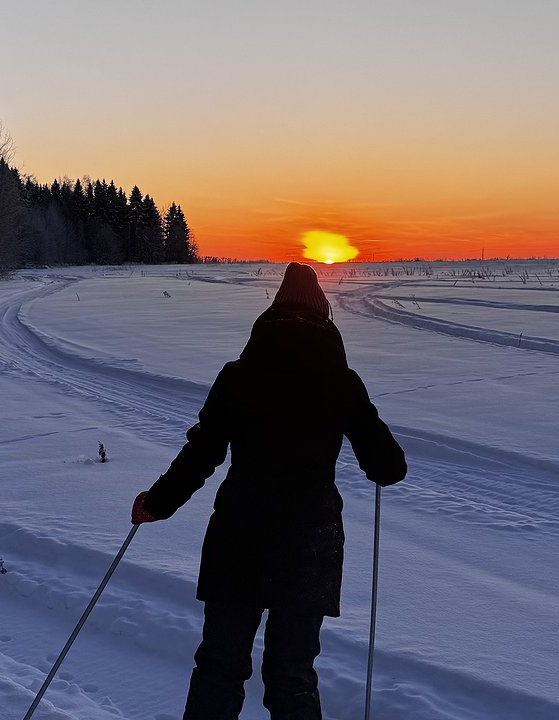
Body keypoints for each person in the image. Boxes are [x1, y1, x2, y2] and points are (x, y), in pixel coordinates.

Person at [131, 262, 407, 720]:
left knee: (219, 668)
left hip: (238, 538)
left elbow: (202, 454)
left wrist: (156, 504)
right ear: (324, 317)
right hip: (309, 545)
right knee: (292, 679)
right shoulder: (341, 379)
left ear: (271, 316)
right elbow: (389, 467)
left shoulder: (239, 375)